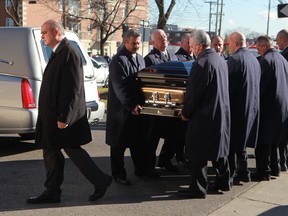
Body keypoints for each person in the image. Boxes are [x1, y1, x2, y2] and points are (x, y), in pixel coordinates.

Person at [26, 19, 112, 204]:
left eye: (44, 33)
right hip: (52, 116)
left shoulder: (69, 53)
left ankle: (101, 180)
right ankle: (52, 191)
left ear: (56, 32)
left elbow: (72, 89)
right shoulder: (58, 52)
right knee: (52, 152)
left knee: (71, 150)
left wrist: (64, 117)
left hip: (61, 117)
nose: (42, 37)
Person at [179, 29, 231, 198]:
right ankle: (224, 182)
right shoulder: (219, 59)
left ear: (199, 46)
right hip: (220, 113)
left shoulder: (201, 63)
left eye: (192, 46)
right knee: (218, 151)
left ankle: (198, 189)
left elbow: (194, 94)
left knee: (197, 153)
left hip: (204, 116)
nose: (191, 49)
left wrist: (186, 113)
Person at [106, 29, 158, 186]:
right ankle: (118, 174)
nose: (136, 46)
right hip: (122, 110)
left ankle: (141, 169)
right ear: (125, 42)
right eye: (133, 43)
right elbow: (120, 87)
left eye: (138, 43)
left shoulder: (141, 59)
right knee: (119, 145)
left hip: (138, 109)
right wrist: (131, 105)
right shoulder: (118, 60)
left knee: (139, 143)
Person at [143, 29, 180, 173]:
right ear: (153, 42)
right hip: (157, 106)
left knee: (173, 136)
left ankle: (165, 160)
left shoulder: (174, 57)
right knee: (153, 139)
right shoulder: (150, 59)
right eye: (160, 38)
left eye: (164, 36)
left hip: (172, 104)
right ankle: (149, 167)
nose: (163, 39)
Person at [227, 32, 260, 184]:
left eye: (229, 43)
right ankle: (243, 172)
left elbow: (228, 87)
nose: (229, 46)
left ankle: (233, 174)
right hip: (251, 107)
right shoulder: (255, 60)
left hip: (237, 108)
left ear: (236, 43)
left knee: (233, 144)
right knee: (242, 145)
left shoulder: (234, 60)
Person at [255, 35, 288, 180]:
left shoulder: (266, 61)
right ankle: (275, 168)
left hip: (268, 108)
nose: (257, 51)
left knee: (263, 143)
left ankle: (263, 171)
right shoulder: (282, 59)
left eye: (258, 47)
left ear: (264, 46)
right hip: (282, 107)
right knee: (275, 141)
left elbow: (259, 88)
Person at [276, 29, 288, 171]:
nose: (277, 43)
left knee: (282, 136)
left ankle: (282, 161)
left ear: (283, 39)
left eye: (278, 40)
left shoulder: (284, 56)